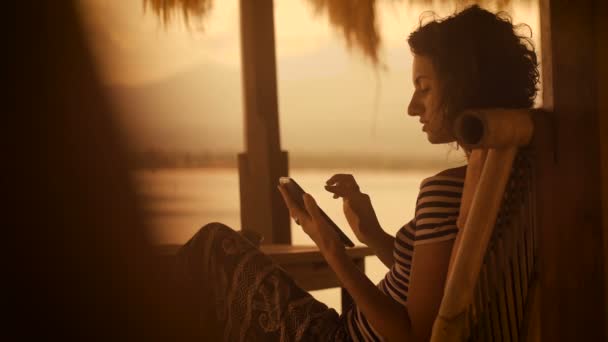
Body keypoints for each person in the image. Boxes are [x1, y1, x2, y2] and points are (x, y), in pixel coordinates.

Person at [177, 5, 539, 341]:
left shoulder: (443, 192)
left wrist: (329, 247)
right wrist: (371, 233)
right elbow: (434, 287)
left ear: (464, 87)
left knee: (213, 245)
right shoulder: (512, 182)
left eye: (424, 89)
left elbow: (413, 334)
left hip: (338, 337)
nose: (413, 107)